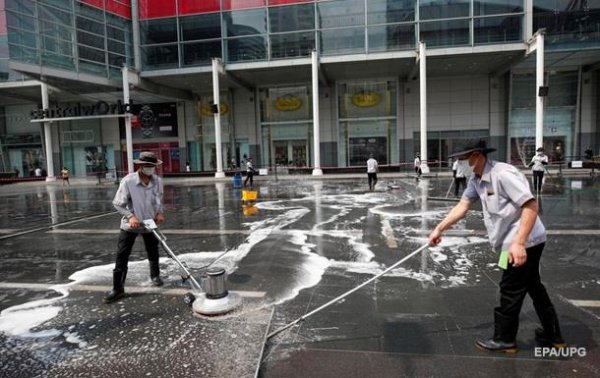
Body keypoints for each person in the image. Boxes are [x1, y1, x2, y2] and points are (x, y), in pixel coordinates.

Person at [428, 139, 565, 353]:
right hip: (510, 243)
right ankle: (553, 334)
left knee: (510, 289)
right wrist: (439, 228)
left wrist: (519, 243)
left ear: (476, 155)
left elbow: (530, 205)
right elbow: (463, 206)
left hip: (524, 241)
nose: (459, 163)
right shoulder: (476, 179)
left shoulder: (502, 174)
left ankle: (505, 339)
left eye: (462, 159)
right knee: (533, 286)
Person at [104, 151, 165, 303]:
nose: (150, 168)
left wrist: (159, 212)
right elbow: (118, 203)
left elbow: (159, 199)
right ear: (141, 166)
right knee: (122, 255)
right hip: (131, 225)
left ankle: (155, 275)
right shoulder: (128, 181)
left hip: (150, 223)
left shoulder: (157, 181)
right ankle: (117, 289)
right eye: (147, 166)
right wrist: (131, 216)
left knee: (153, 250)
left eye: (153, 166)